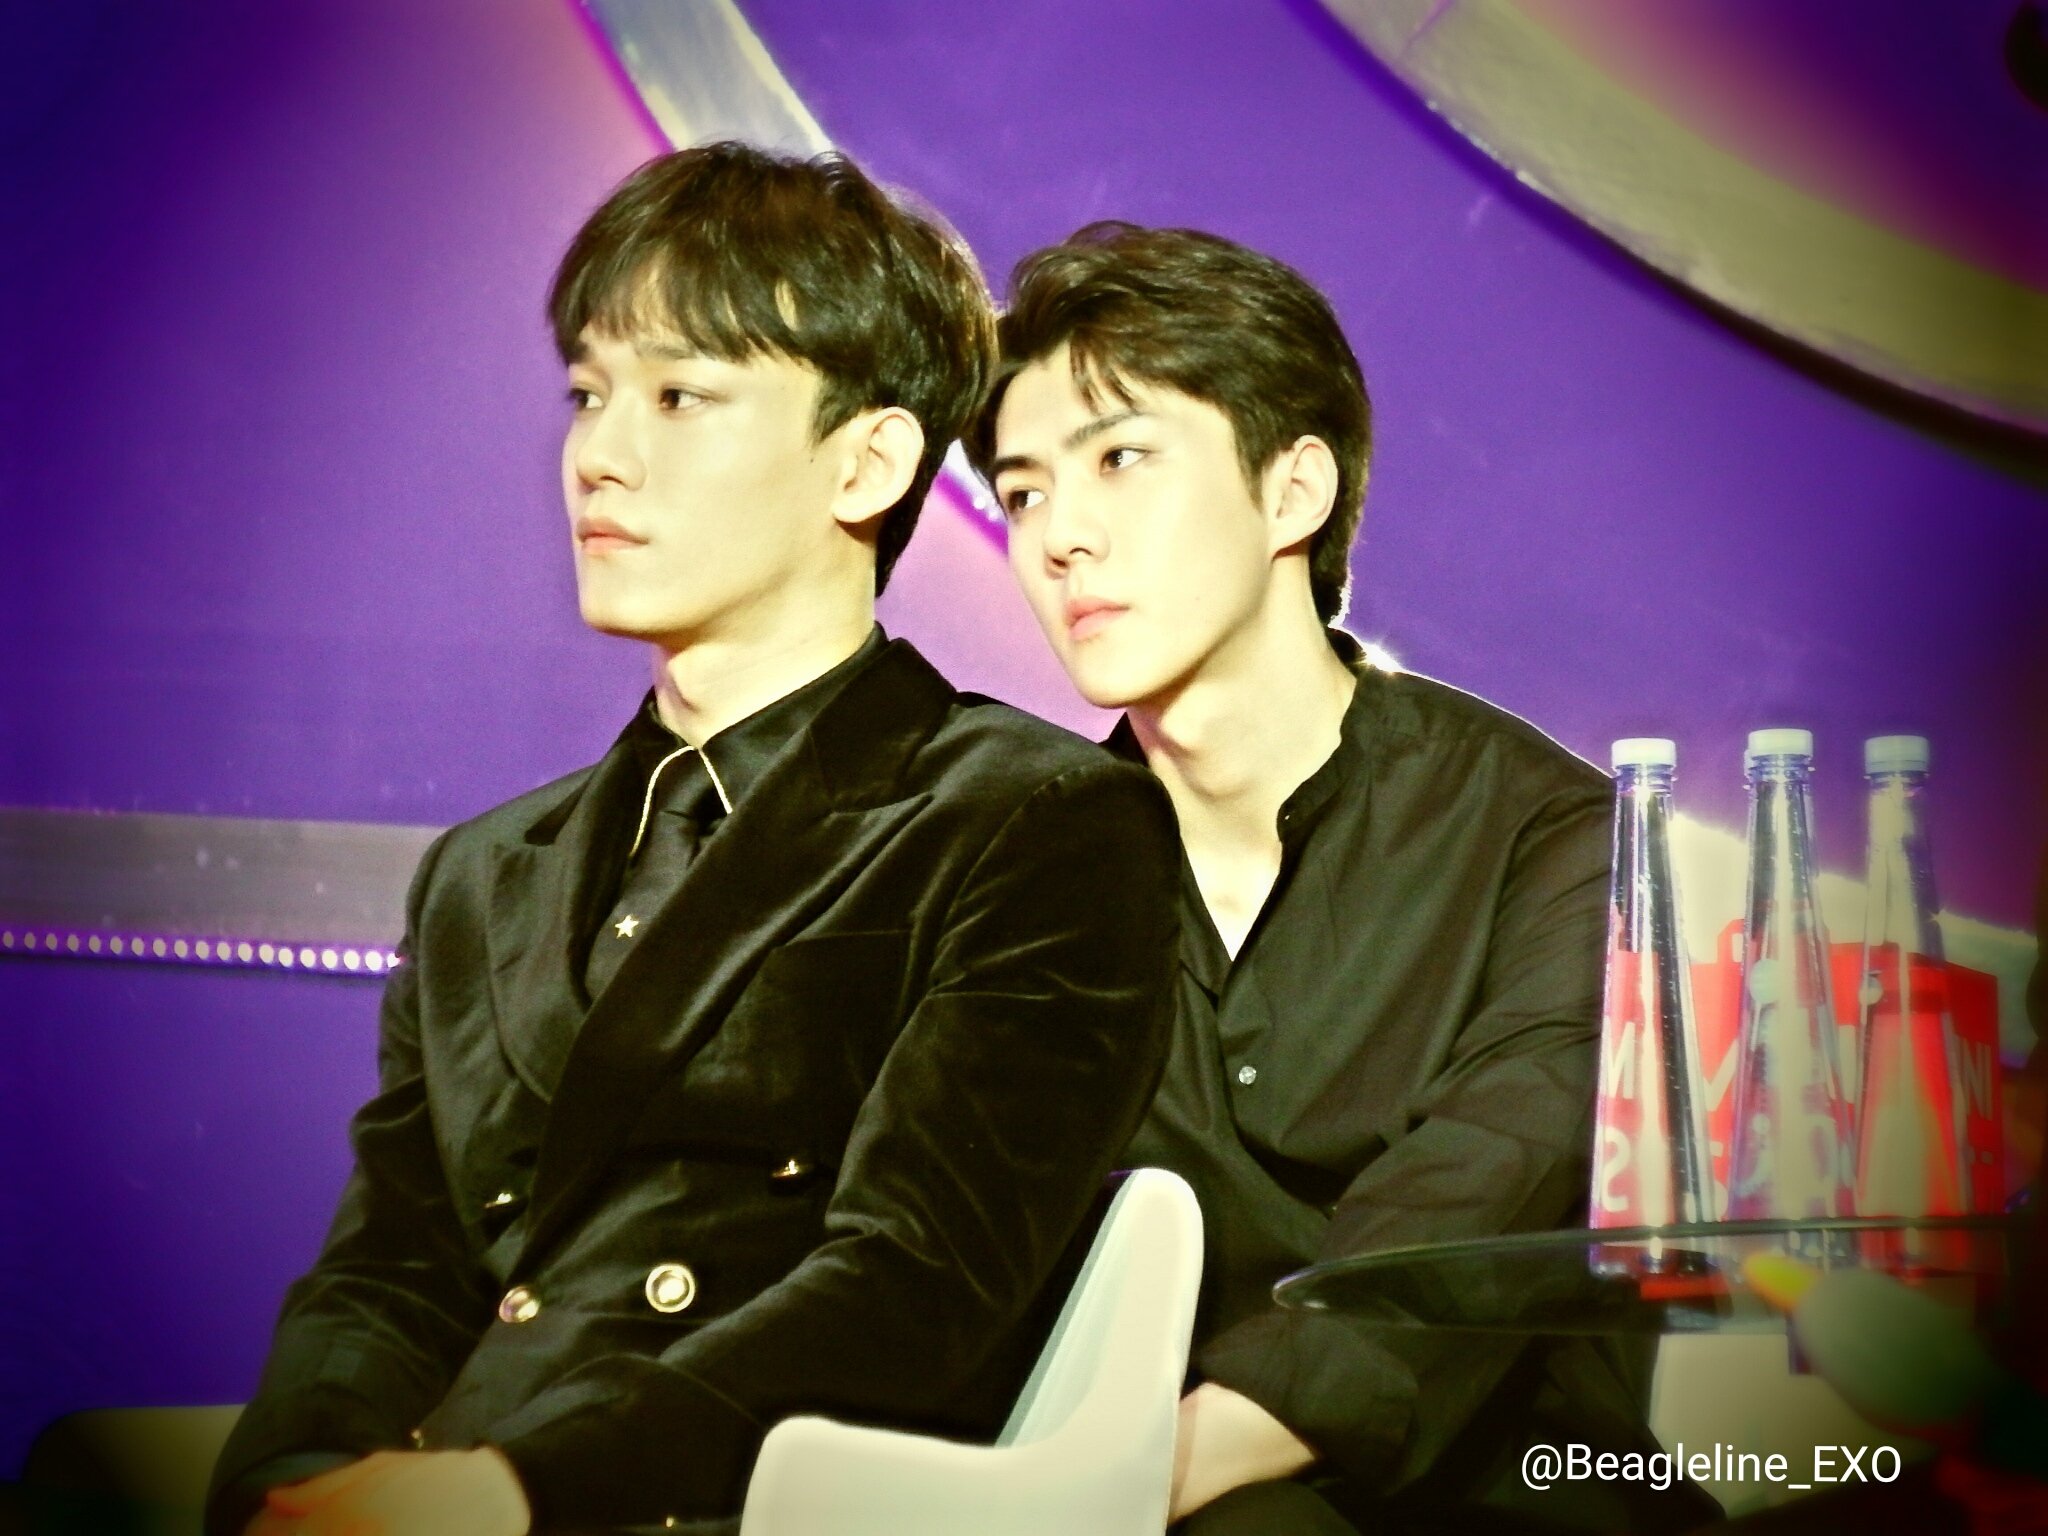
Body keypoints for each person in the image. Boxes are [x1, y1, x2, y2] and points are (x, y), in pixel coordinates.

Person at [205, 146, 1182, 1536]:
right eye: (589, 394)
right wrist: (291, 1484)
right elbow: (391, 1272)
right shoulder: (485, 871)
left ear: (867, 461)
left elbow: (910, 1287)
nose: (601, 454)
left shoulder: (1029, 822)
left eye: (680, 397)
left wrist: (517, 1491)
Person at [970, 223, 1717, 1534]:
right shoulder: (1014, 871)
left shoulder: (1554, 838)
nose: (1060, 537)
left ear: (1293, 491)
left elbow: (1467, 1221)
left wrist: (1130, 1477)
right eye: (1024, 493)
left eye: (1120, 459)